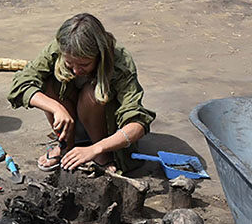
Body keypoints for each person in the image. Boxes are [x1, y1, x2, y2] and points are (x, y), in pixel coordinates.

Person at [8, 13, 155, 173]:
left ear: (99, 55)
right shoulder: (58, 49)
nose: (77, 70)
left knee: (93, 94)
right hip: (70, 119)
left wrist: (96, 149)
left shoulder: (120, 62)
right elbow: (21, 84)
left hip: (105, 127)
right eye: (69, 63)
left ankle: (103, 155)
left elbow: (137, 125)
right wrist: (57, 108)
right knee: (47, 83)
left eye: (84, 64)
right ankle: (66, 146)